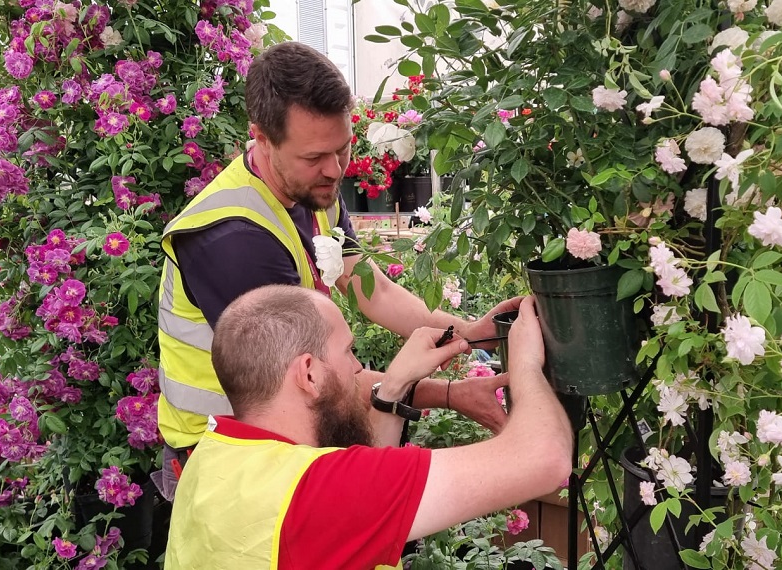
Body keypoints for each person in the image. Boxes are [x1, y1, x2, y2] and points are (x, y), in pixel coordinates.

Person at [155, 41, 516, 494]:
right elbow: (320, 384)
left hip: (283, 435)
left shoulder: (310, 188)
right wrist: (448, 394)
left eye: (342, 149)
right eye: (314, 158)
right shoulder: (234, 240)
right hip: (220, 457)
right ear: (262, 139)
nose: (335, 170)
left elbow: (371, 288)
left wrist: (465, 331)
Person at [164, 286, 572, 569]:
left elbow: (348, 506)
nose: (358, 366)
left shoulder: (212, 458)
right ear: (309, 374)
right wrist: (525, 365)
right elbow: (545, 459)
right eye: (347, 351)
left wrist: (395, 387)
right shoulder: (316, 492)